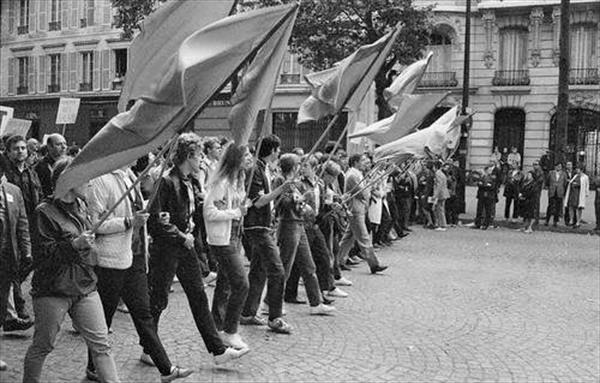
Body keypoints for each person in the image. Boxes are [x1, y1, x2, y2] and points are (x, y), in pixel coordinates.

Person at [147, 133, 248, 365]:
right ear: (188, 156)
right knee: (158, 300)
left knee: (199, 297)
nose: (201, 160)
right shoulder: (166, 181)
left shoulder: (191, 181)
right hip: (167, 250)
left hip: (186, 247)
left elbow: (195, 213)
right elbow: (157, 221)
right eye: (198, 155)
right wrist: (182, 236)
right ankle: (148, 347)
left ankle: (219, 351)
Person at [85, 166, 193, 382]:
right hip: (110, 261)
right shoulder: (101, 181)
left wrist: (152, 216)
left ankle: (166, 368)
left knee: (144, 314)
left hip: (134, 257)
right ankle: (93, 366)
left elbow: (138, 213)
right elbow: (94, 223)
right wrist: (128, 222)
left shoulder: (131, 175)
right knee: (104, 319)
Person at [23, 158, 120, 383]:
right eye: (85, 177)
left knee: (101, 345)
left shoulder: (81, 206)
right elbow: (43, 257)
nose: (90, 183)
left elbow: (89, 252)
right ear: (69, 180)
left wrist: (89, 246)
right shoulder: (44, 212)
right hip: (53, 289)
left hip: (84, 286)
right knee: (43, 345)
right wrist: (74, 245)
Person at [240, 135, 293, 333]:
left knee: (259, 270)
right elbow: (258, 201)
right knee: (277, 271)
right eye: (277, 149)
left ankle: (247, 312)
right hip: (256, 228)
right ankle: (275, 317)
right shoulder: (254, 169)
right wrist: (281, 189)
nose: (279, 153)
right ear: (272, 150)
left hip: (263, 225)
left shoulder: (263, 168)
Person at [273, 154, 335, 316]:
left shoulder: (295, 183)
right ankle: (271, 302)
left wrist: (302, 201)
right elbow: (281, 204)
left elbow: (298, 203)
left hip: (299, 224)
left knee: (308, 265)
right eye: (298, 164)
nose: (300, 167)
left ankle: (316, 303)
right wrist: (301, 198)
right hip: (288, 224)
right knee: (285, 266)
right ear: (293, 167)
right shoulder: (281, 181)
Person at [204, 144, 252, 350]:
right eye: (246, 154)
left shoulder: (237, 181)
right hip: (223, 240)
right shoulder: (222, 183)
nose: (250, 158)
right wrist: (235, 213)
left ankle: (216, 325)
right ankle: (230, 331)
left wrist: (242, 208)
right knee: (242, 284)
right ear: (236, 159)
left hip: (234, 236)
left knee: (225, 283)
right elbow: (208, 212)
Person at [3, 135, 41, 322]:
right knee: (13, 265)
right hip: (10, 227)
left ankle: (13, 302)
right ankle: (17, 307)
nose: (21, 151)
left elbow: (39, 195)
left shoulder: (31, 172)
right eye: (16, 148)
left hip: (30, 225)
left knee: (25, 263)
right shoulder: (5, 172)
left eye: (23, 148)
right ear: (8, 152)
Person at [0, 169, 33, 371]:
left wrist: (27, 251)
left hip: (5, 258)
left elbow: (22, 224)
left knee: (1, 305)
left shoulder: (13, 191)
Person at [337, 154, 388, 274]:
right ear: (355, 162)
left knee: (348, 238)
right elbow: (363, 193)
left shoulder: (357, 174)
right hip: (355, 209)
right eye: (362, 161)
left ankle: (337, 261)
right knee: (364, 237)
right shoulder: (352, 175)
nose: (365, 163)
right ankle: (374, 263)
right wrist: (369, 187)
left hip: (359, 208)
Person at [35, 134, 67, 198]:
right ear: (49, 146)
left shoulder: (68, 164)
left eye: (65, 143)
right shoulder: (40, 166)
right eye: (59, 144)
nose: (63, 147)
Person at [545, 162, 568, 227]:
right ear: (555, 167)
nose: (559, 167)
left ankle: (555, 221)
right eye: (557, 166)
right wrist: (550, 187)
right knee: (550, 206)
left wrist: (561, 189)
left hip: (559, 192)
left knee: (558, 207)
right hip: (552, 191)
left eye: (560, 166)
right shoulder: (551, 173)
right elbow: (547, 181)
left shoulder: (564, 174)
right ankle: (547, 220)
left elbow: (565, 183)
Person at [432, 161, 450, 231]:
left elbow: (438, 185)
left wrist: (435, 195)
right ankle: (443, 224)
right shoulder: (441, 173)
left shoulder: (437, 173)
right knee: (441, 209)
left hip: (440, 193)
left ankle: (441, 225)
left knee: (439, 210)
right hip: (443, 193)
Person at [563, 161, 574, 225]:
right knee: (566, 205)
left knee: (573, 206)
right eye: (567, 164)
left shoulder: (574, 173)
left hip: (573, 191)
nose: (568, 166)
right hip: (566, 190)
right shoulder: (564, 173)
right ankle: (566, 220)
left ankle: (573, 219)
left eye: (570, 164)